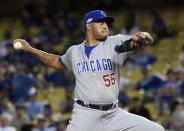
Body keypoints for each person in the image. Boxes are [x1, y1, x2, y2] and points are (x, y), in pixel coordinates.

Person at [13, 10, 164, 131]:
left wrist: (142, 37)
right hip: (85, 114)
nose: (105, 26)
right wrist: (31, 50)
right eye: (100, 22)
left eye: (106, 23)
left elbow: (142, 38)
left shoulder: (115, 42)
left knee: (156, 129)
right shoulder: (74, 52)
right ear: (88, 26)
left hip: (113, 113)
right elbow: (56, 61)